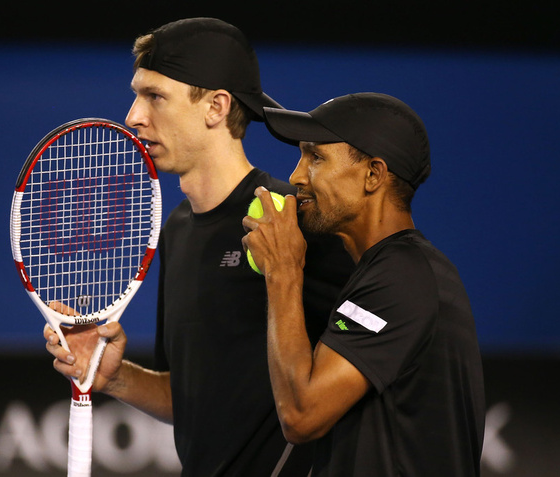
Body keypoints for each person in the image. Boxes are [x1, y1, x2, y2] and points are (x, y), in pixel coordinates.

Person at [44, 18, 354, 476]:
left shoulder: (293, 221)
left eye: (155, 96)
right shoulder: (178, 229)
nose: (133, 116)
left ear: (216, 107)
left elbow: (355, 382)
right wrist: (113, 376)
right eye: (136, 94)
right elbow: (184, 396)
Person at [242, 92, 485, 476]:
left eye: (316, 157)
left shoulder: (404, 274)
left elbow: (302, 414)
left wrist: (283, 270)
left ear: (373, 174)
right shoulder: (386, 271)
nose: (295, 177)